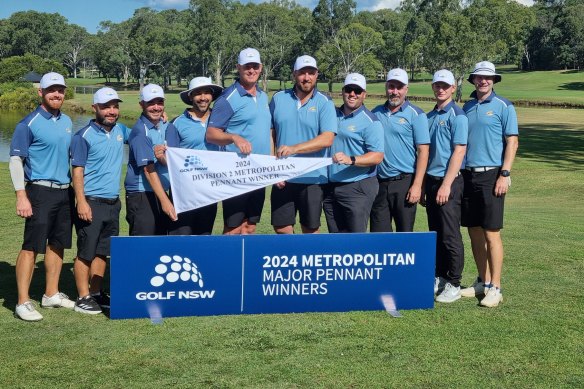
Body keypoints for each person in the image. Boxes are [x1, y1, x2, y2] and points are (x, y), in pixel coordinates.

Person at [9, 72, 75, 321]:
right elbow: (16, 160)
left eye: (60, 90)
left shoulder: (67, 120)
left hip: (64, 191)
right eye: (51, 90)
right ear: (41, 92)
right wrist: (21, 195)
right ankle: (22, 301)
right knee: (31, 246)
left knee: (57, 244)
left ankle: (51, 294)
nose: (56, 94)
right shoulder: (28, 123)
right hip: (39, 190)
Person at [460, 61, 519, 308]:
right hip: (468, 175)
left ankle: (496, 287)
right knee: (473, 230)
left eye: (488, 78)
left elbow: (512, 141)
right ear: (474, 80)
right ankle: (482, 282)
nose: (483, 81)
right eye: (479, 78)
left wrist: (505, 174)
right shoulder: (468, 106)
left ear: (493, 81)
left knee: (491, 232)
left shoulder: (504, 106)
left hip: (492, 175)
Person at [70, 87, 126, 314]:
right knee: (86, 251)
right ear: (95, 108)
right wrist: (81, 202)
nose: (111, 111)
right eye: (106, 107)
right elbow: (77, 172)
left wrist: (161, 120)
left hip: (113, 202)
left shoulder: (121, 130)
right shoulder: (83, 136)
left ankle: (95, 292)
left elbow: (143, 134)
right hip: (91, 202)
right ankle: (82, 297)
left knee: (103, 250)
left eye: (114, 106)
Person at [206, 48, 272, 235]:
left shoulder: (263, 96)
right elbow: (211, 134)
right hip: (236, 172)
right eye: (247, 67)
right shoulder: (228, 98)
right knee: (233, 227)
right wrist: (234, 137)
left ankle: (244, 264)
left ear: (261, 68)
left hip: (259, 172)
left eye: (255, 66)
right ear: (238, 68)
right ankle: (227, 263)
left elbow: (267, 132)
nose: (251, 70)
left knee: (250, 226)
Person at [270, 55, 337, 234]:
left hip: (313, 177)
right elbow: (271, 133)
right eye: (302, 73)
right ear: (294, 74)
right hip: (283, 177)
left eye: (311, 73)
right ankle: (291, 260)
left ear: (316, 75)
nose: (306, 77)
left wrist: (294, 149)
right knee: (282, 228)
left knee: (310, 229)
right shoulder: (278, 98)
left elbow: (327, 138)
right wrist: (272, 168)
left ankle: (306, 262)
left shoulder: (325, 102)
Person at [424, 70, 468, 303]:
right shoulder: (430, 116)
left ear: (453, 88)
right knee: (437, 233)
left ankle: (454, 282)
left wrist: (446, 184)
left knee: (450, 234)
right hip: (431, 181)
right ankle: (440, 276)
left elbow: (459, 151)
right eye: (437, 85)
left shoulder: (457, 116)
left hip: (448, 181)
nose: (441, 89)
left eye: (445, 86)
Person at [370, 68, 430, 232]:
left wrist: (417, 185)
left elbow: (423, 151)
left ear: (406, 89)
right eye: (391, 86)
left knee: (404, 235)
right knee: (379, 235)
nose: (395, 92)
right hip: (379, 183)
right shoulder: (375, 113)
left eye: (399, 87)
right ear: (386, 87)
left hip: (404, 182)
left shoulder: (416, 115)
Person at [323, 73, 384, 233]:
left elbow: (377, 156)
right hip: (331, 186)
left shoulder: (371, 121)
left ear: (364, 94)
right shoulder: (332, 114)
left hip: (357, 186)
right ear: (343, 91)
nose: (352, 94)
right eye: (349, 89)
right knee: (336, 240)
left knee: (356, 241)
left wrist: (351, 159)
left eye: (357, 91)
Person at [166, 77, 223, 235]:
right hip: (184, 192)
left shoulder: (221, 120)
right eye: (198, 93)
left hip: (209, 191)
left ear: (212, 96)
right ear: (190, 97)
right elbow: (170, 159)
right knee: (180, 239)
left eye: (206, 93)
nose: (203, 97)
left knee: (204, 238)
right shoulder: (176, 123)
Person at [125, 84, 178, 236]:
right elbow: (148, 170)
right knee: (142, 246)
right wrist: (166, 202)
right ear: (142, 104)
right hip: (141, 195)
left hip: (156, 192)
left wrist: (162, 158)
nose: (156, 107)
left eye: (160, 103)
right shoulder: (141, 132)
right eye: (151, 103)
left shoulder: (161, 125)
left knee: (158, 245)